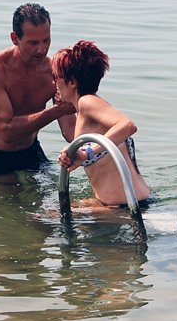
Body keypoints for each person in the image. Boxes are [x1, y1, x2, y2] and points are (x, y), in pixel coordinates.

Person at [0, 3, 76, 177]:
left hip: (30, 150)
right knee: (10, 194)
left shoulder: (53, 71)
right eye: (33, 43)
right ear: (15, 38)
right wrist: (56, 111)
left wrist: (100, 145)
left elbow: (70, 129)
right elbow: (6, 131)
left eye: (46, 40)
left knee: (55, 189)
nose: (41, 50)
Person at [53, 40, 151, 206]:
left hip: (122, 208)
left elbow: (128, 125)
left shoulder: (87, 102)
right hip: (134, 202)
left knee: (39, 218)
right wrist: (70, 152)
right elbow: (73, 136)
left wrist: (87, 153)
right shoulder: (89, 108)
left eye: (55, 77)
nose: (53, 82)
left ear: (72, 82)